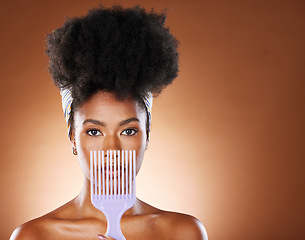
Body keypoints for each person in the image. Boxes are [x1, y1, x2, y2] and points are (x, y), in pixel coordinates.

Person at [10, 5, 208, 240]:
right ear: (73, 136)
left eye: (128, 131)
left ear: (147, 135)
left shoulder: (182, 232)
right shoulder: (33, 236)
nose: (112, 149)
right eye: (94, 131)